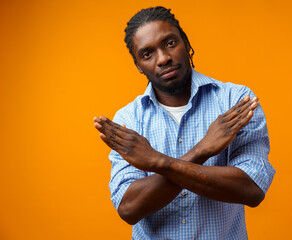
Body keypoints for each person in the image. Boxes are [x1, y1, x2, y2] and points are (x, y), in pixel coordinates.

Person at [94, 6, 275, 240]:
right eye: (147, 54)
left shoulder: (236, 101)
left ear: (186, 42)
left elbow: (252, 189)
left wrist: (157, 162)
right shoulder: (129, 119)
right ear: (138, 65)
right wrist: (202, 150)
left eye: (170, 43)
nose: (163, 58)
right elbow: (129, 208)